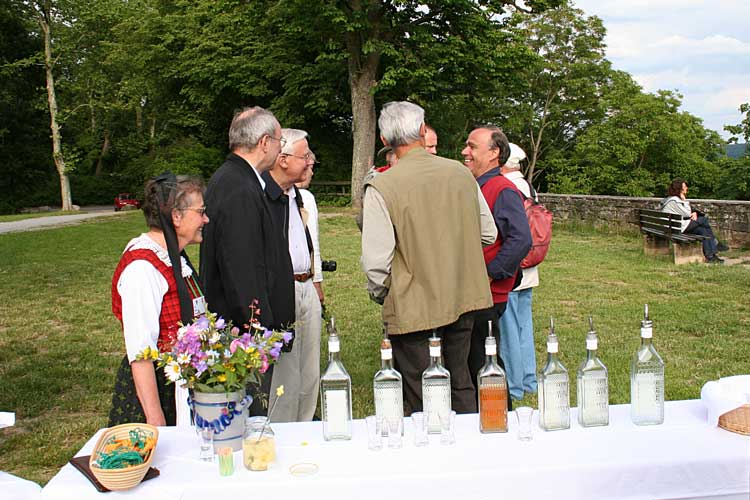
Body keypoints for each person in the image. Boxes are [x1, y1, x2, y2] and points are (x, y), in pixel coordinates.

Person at [361, 101, 497, 416]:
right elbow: (488, 233)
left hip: (412, 304)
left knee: (421, 391)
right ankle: (470, 452)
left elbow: (376, 264)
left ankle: (430, 457)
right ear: (423, 132)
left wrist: (384, 293)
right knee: (460, 381)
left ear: (385, 141)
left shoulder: (382, 185)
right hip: (463, 295)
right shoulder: (460, 174)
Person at [200, 106, 295, 416]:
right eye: (280, 141)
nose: (281, 148)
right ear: (265, 142)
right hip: (243, 337)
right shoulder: (238, 187)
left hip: (246, 330)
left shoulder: (239, 179)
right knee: (249, 418)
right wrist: (258, 334)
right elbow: (242, 269)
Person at [109, 173, 209, 426]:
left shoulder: (175, 256)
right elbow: (141, 353)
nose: (206, 219)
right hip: (158, 393)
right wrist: (157, 422)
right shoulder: (142, 268)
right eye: (201, 212)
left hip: (181, 383)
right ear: (176, 216)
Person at [461, 127, 532, 396]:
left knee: (485, 363)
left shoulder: (502, 189)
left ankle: (500, 419)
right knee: (474, 360)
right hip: (475, 293)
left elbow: (521, 239)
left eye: (472, 146)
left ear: (494, 153)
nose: (465, 152)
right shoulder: (480, 186)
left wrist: (490, 273)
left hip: (488, 296)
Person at [263, 129, 321, 422]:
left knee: (310, 367)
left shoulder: (298, 196)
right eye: (305, 155)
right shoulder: (263, 197)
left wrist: (316, 283)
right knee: (286, 370)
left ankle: (307, 425)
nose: (311, 161)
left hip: (306, 285)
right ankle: (282, 430)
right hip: (282, 290)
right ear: (283, 159)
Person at [499, 143, 539, 401]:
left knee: (510, 329)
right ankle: (529, 380)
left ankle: (514, 386)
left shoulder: (508, 188)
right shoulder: (528, 186)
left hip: (515, 268)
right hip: (530, 267)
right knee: (524, 326)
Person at [660, 178, 728, 263]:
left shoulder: (671, 199)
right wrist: (684, 200)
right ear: (679, 189)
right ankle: (715, 243)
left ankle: (711, 256)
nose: (687, 188)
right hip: (676, 228)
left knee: (703, 231)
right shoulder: (674, 201)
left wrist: (694, 213)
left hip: (675, 226)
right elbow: (687, 212)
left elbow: (687, 213)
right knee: (703, 219)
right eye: (685, 186)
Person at [295, 150, 325, 306]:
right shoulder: (305, 198)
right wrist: (317, 282)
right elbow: (312, 243)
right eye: (310, 167)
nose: (312, 173)